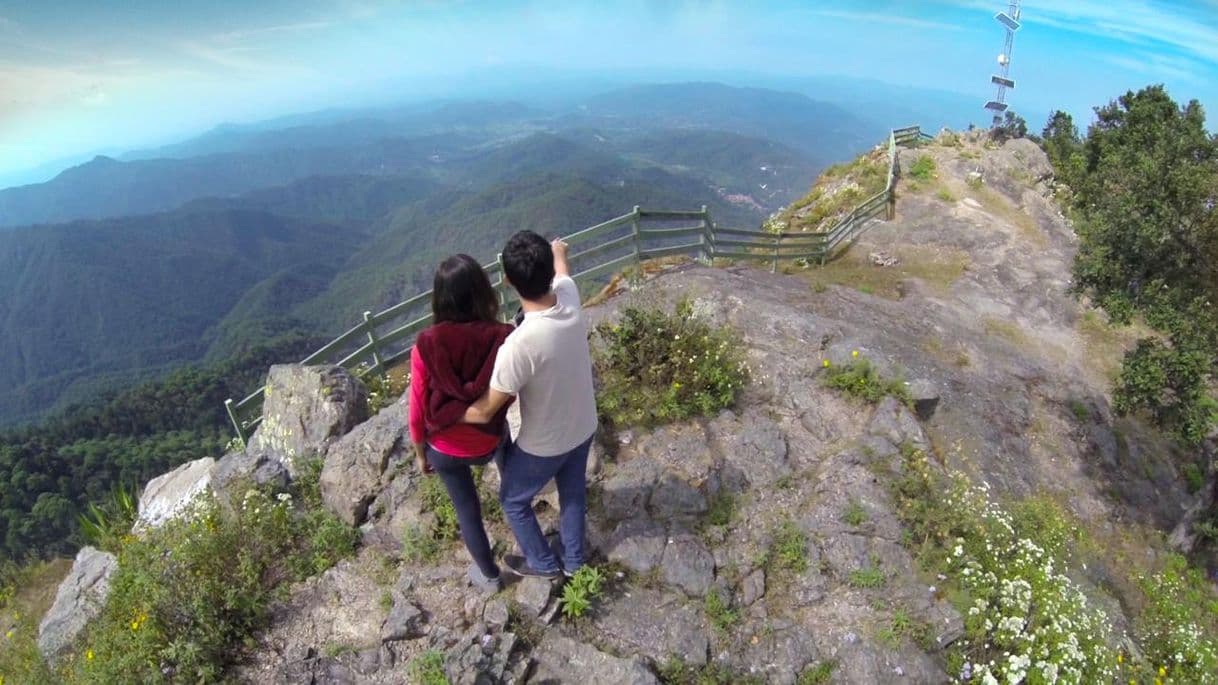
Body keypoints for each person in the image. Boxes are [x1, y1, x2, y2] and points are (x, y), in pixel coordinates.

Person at [463, 231, 598, 579]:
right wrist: (557, 250)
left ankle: (543, 564)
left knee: (512, 500)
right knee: (572, 494)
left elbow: (485, 410)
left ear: (508, 281)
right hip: (584, 426)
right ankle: (574, 562)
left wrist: (444, 414)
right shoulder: (569, 297)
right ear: (550, 275)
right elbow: (564, 270)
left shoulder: (519, 345)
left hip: (545, 444)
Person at [409, 254, 515, 593]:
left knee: (467, 510)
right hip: (487, 440)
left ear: (439, 298)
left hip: (444, 446)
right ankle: (513, 487)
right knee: (505, 437)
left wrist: (420, 453)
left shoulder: (426, 344)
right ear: (483, 292)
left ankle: (490, 576)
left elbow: (416, 409)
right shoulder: (503, 336)